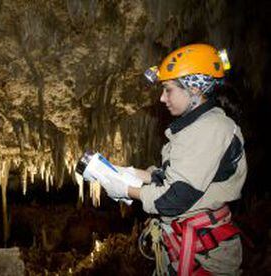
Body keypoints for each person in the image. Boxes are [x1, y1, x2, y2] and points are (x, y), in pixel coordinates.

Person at [100, 43, 247, 275]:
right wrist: (130, 173)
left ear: (195, 90)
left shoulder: (211, 129)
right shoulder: (194, 128)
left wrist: (127, 190)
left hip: (205, 258)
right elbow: (170, 176)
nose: (161, 98)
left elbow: (174, 198)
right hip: (183, 247)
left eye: (168, 89)